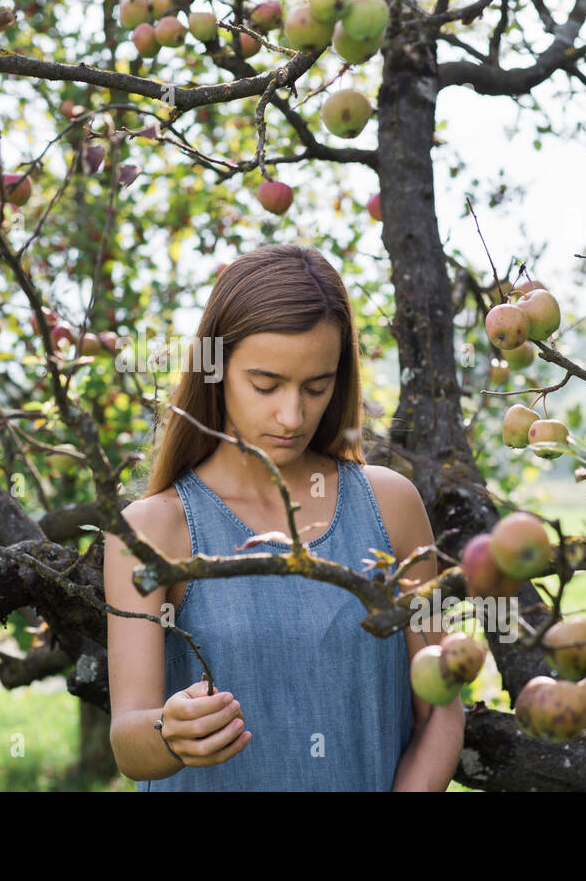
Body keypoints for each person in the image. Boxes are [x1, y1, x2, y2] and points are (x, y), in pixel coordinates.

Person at [104, 244, 465, 791]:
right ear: (216, 369)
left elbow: (440, 707)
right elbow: (129, 742)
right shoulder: (154, 529)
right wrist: (167, 732)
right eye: (266, 385)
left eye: (316, 387)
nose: (291, 416)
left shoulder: (390, 505)